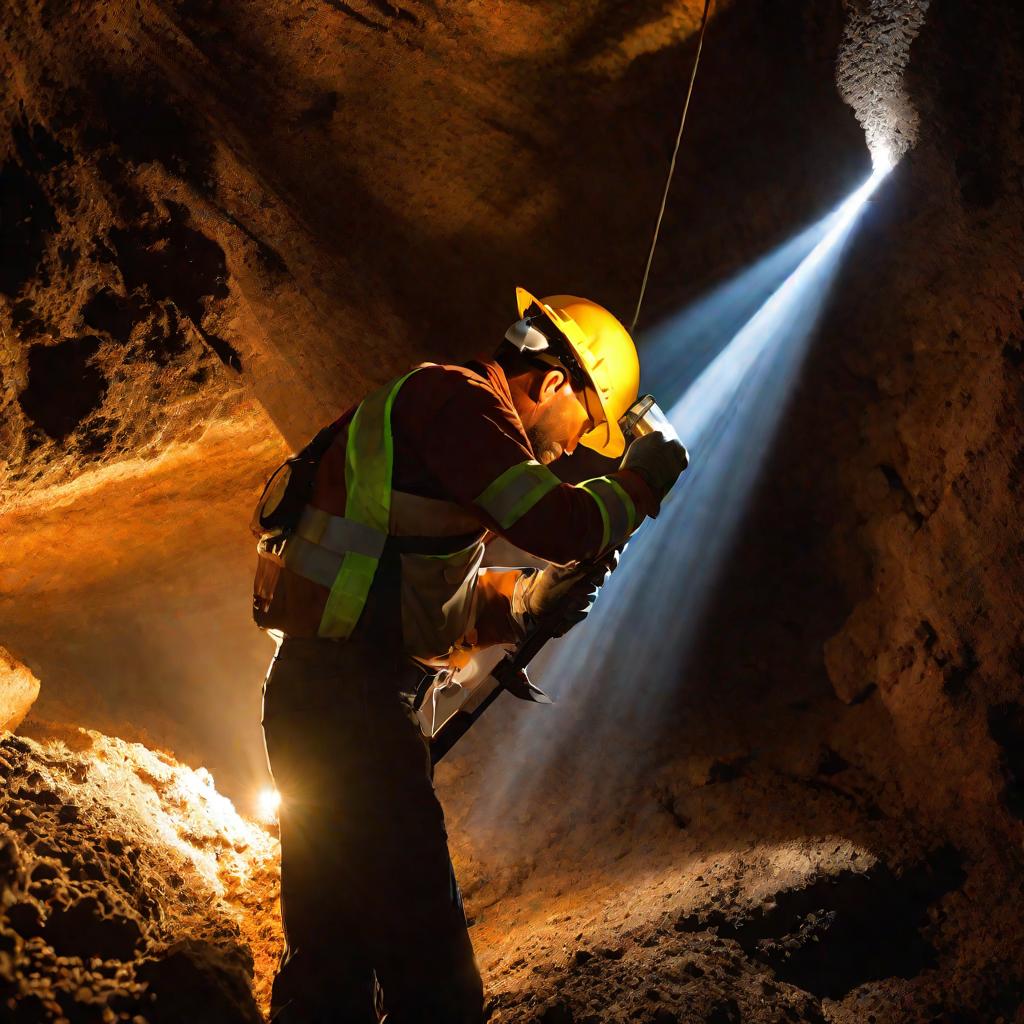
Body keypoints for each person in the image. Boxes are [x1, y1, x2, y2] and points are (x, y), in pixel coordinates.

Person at [252, 288, 688, 1022]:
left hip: (330, 703)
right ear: (553, 383)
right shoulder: (454, 399)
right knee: (435, 984)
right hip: (347, 711)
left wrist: (526, 603)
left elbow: (427, 596)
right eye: (584, 423)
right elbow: (558, 520)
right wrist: (638, 482)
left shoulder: (436, 429)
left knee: (331, 966)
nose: (575, 447)